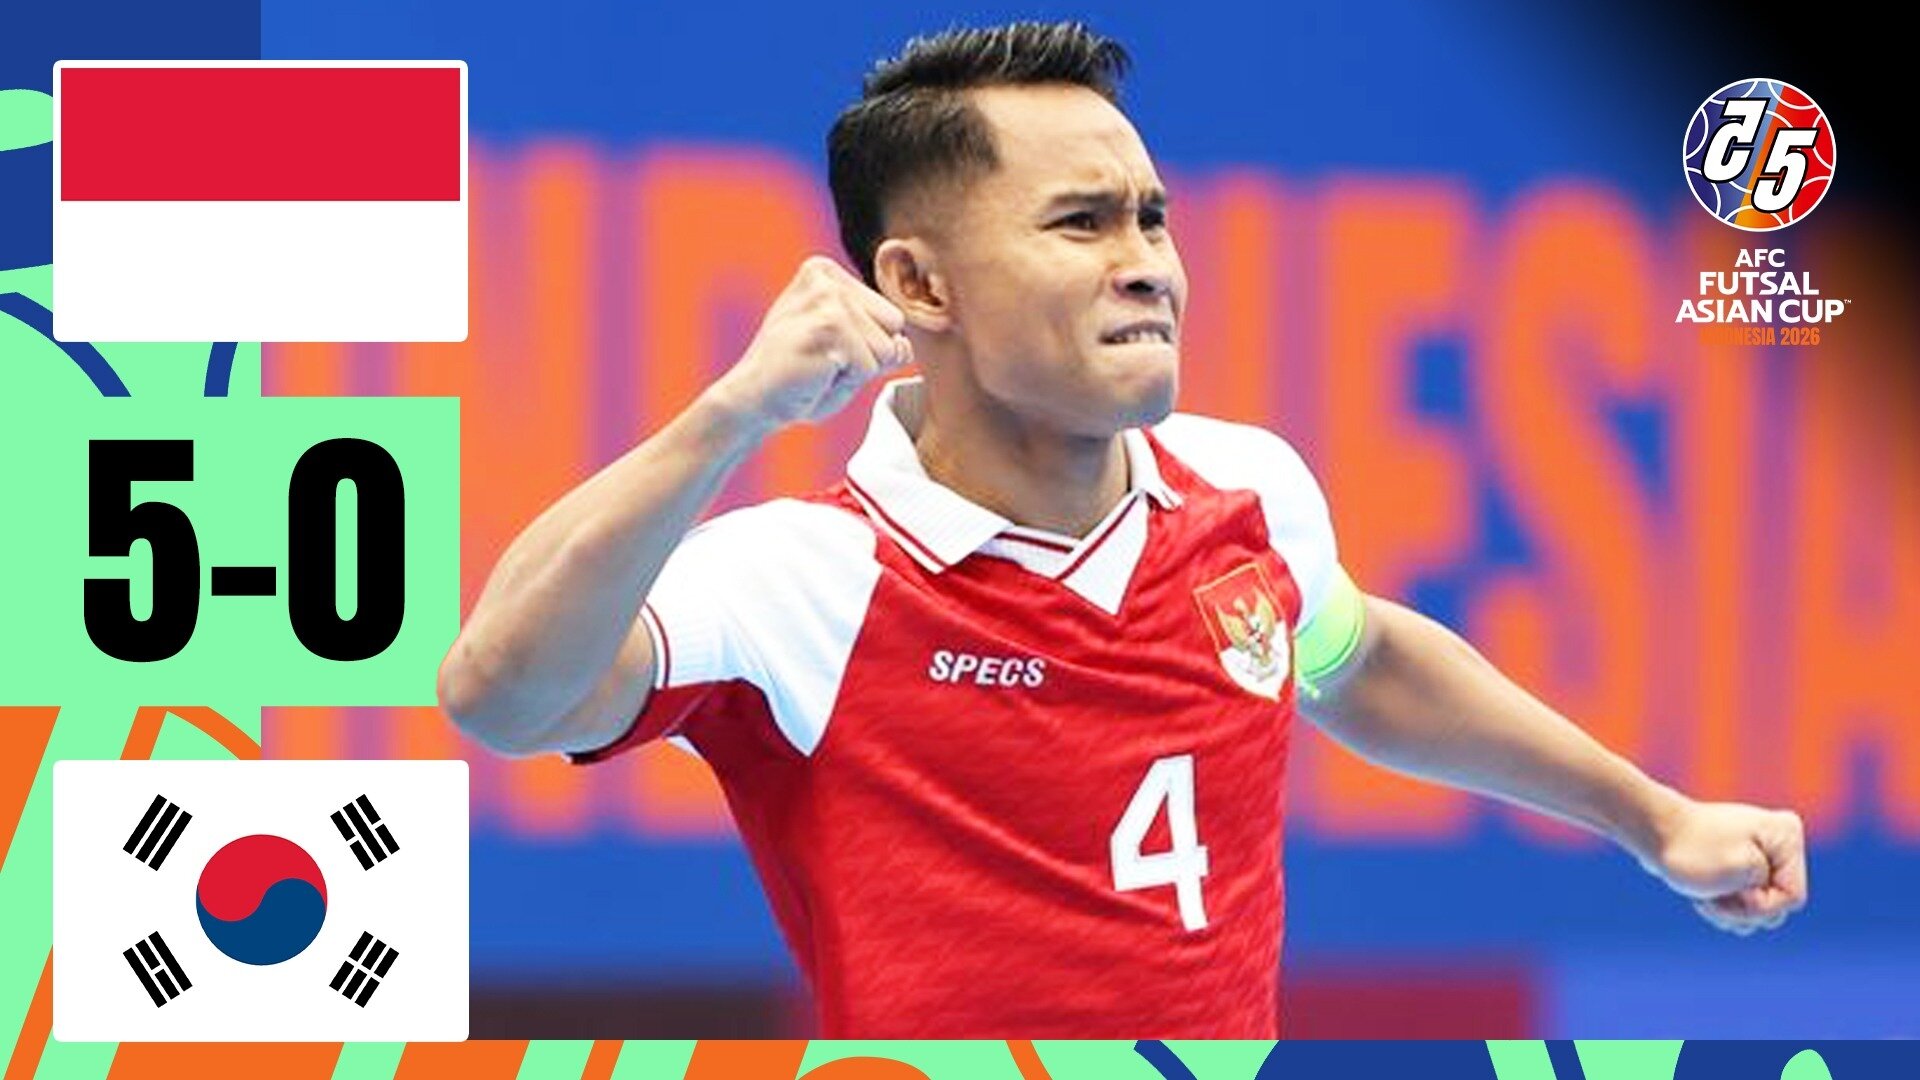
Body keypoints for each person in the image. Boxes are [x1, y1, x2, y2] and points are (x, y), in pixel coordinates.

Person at [438, 21, 1808, 1038]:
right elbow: (501, 695)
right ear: (920, 286)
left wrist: (1655, 818)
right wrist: (728, 415)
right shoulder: (802, 579)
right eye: (1082, 224)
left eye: (1152, 218)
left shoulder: (1247, 490)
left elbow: (1358, 661)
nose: (1146, 263)